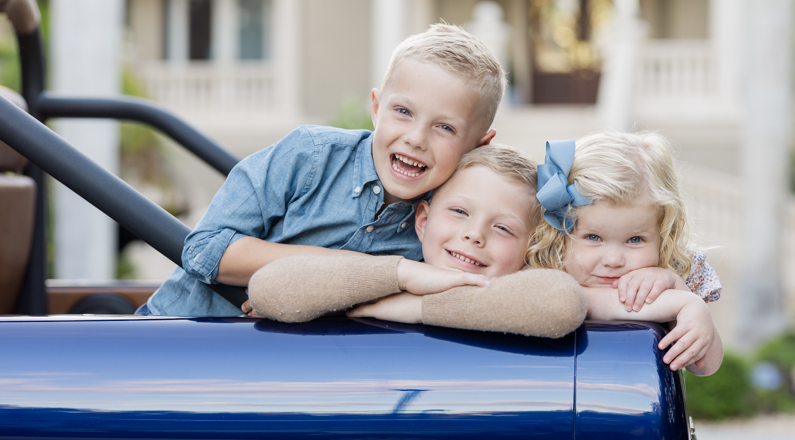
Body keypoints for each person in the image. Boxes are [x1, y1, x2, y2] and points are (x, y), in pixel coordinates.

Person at [140, 23, 505, 316]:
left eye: (445, 128)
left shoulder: (450, 226)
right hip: (177, 337)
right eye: (403, 112)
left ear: (478, 145)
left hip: (288, 371)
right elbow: (204, 251)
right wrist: (385, 272)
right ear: (376, 108)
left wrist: (312, 297)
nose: (416, 138)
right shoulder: (309, 155)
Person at [246, 144, 588, 339]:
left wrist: (416, 309)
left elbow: (562, 302)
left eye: (503, 228)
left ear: (530, 247)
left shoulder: (521, 294)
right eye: (459, 211)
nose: (474, 234)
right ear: (422, 222)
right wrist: (404, 275)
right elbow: (266, 288)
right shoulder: (391, 278)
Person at [533, 131, 723, 376]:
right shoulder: (543, 272)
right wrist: (679, 303)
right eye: (593, 237)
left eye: (635, 240)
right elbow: (580, 302)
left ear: (663, 235)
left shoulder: (664, 279)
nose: (614, 260)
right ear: (559, 234)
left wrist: (681, 290)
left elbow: (704, 366)